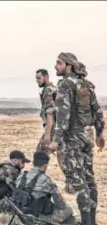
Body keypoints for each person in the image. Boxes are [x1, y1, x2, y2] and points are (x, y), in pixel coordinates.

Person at [48, 52, 105, 225]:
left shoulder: (65, 85)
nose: (56, 66)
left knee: (78, 182)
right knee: (90, 179)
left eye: (59, 63)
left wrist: (55, 141)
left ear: (68, 66)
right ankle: (92, 222)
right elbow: (98, 112)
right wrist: (100, 134)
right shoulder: (87, 85)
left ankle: (87, 222)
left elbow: (63, 116)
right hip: (87, 135)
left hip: (73, 138)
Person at [14, 151, 77, 225]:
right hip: (37, 218)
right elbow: (60, 204)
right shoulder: (45, 179)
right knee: (68, 210)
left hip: (20, 214)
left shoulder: (21, 176)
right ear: (45, 165)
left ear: (34, 162)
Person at [35, 69, 66, 176]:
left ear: (46, 77)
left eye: (39, 78)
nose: (37, 81)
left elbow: (50, 114)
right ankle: (72, 183)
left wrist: (47, 136)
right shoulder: (54, 89)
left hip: (53, 129)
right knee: (62, 156)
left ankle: (37, 180)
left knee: (40, 154)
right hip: (61, 128)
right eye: (36, 78)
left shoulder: (48, 91)